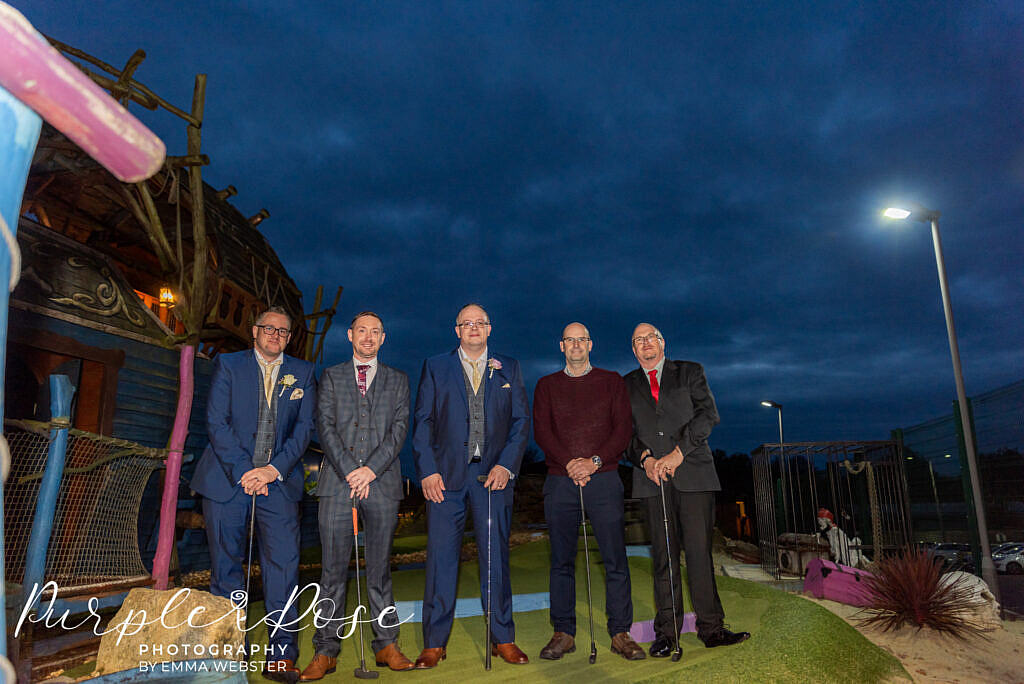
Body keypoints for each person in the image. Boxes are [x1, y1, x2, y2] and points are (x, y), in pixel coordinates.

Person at [191, 306, 317, 681]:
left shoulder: (304, 373)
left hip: (279, 484)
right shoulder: (229, 366)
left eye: (283, 331)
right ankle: (230, 655)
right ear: (255, 331)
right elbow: (216, 421)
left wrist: (272, 470)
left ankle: (280, 656)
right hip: (227, 481)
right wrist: (246, 471)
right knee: (226, 568)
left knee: (283, 569)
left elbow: (304, 430)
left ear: (289, 338)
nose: (275, 335)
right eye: (268, 329)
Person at [411, 303, 531, 669]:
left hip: (492, 480)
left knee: (496, 560)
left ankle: (503, 637)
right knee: (441, 561)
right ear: (457, 330)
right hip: (445, 482)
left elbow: (521, 422)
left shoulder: (508, 367)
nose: (474, 328)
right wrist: (428, 471)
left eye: (480, 323)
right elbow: (423, 423)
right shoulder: (435, 366)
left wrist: (507, 467)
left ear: (490, 329)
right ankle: (434, 642)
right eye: (467, 323)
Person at [624, 323, 750, 658]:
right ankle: (666, 633)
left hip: (693, 474)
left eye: (651, 338)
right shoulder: (625, 385)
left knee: (698, 555)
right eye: (638, 341)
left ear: (662, 343)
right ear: (633, 350)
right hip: (652, 481)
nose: (645, 344)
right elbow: (623, 434)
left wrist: (678, 453)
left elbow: (709, 415)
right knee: (663, 559)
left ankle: (712, 629)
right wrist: (646, 460)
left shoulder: (691, 372)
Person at [300, 312, 414, 680]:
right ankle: (326, 651)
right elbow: (326, 426)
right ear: (350, 335)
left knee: (380, 570)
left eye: (375, 332)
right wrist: (352, 470)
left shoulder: (399, 380)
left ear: (384, 338)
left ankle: (386, 645)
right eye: (361, 331)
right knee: (332, 571)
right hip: (337, 484)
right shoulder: (331, 376)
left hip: (382, 485)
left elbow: (399, 432)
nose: (368, 337)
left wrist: (370, 470)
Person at [533, 322, 645, 661]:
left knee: (614, 559)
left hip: (605, 478)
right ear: (562, 346)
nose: (576, 345)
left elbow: (622, 429)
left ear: (590, 345)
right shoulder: (546, 385)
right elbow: (542, 431)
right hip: (560, 480)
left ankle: (620, 633)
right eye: (570, 340)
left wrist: (593, 462)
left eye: (582, 340)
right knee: (561, 561)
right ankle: (564, 632)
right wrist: (571, 463)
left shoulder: (612, 381)